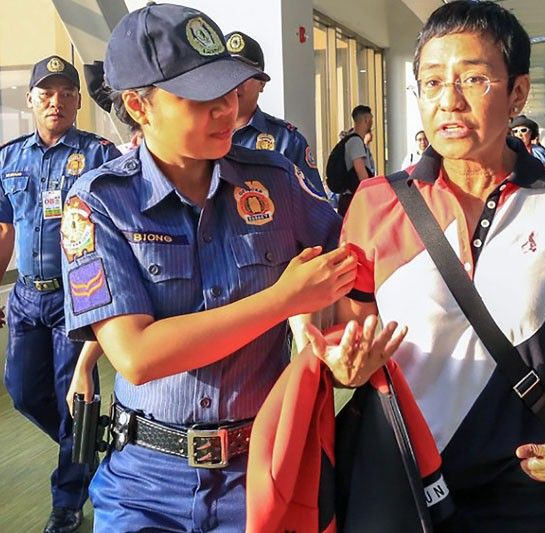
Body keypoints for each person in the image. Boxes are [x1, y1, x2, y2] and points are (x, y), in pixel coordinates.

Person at [60, 4, 389, 530]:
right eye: (200, 96)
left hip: (262, 468)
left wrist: (347, 343)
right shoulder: (100, 203)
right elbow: (137, 355)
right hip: (145, 482)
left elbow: (350, 274)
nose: (226, 109)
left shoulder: (277, 181)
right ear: (138, 107)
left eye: (230, 91)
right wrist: (284, 300)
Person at [336, 1, 545, 530]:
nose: (449, 101)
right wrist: (344, 366)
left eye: (473, 78)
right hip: (398, 467)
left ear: (517, 92)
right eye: (431, 83)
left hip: (522, 479)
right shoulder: (376, 201)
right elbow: (349, 334)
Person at [0, 54, 120, 533]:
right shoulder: (8, 158)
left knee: (75, 399)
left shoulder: (97, 155)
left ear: (77, 103)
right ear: (30, 99)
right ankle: (89, 449)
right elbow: (4, 229)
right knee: (24, 392)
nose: (57, 101)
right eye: (46, 93)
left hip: (77, 296)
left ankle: (67, 500)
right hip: (26, 297)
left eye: (67, 93)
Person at [226, 30, 326, 196]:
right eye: (228, 72)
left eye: (244, 73)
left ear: (262, 83)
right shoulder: (198, 135)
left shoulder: (287, 141)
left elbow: (317, 207)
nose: (235, 82)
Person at [337, 104, 375, 215]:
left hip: (352, 197)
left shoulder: (355, 141)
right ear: (367, 119)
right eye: (371, 119)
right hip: (354, 198)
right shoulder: (355, 142)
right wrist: (370, 197)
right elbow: (361, 172)